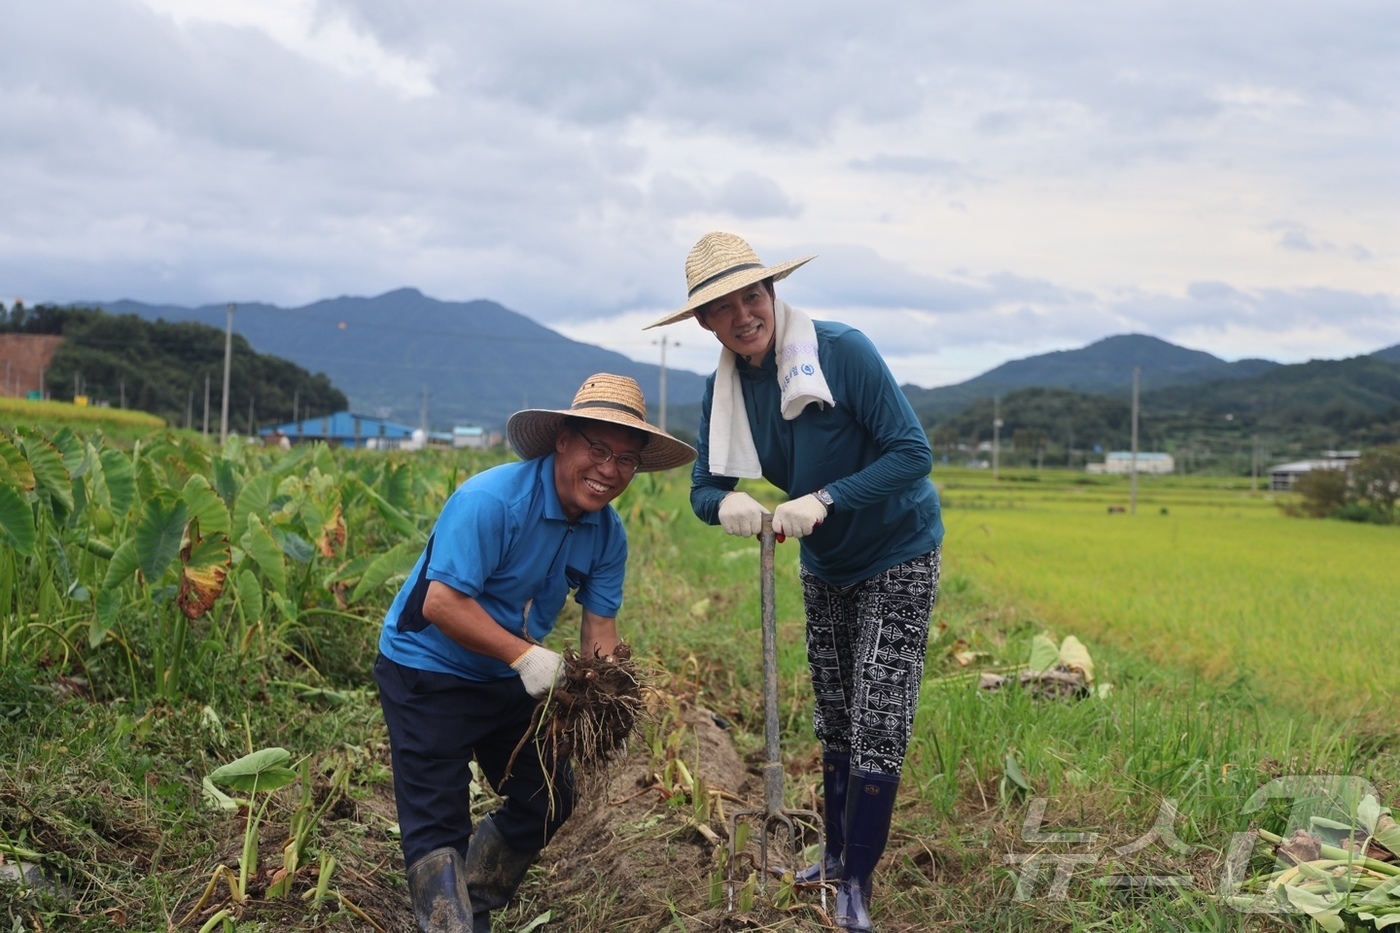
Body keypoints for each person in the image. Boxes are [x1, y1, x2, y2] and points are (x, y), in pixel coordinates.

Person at [646, 232, 944, 932]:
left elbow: (914, 453)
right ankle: (835, 854)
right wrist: (726, 504)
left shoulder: (842, 352)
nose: (744, 313)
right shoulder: (725, 388)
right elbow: (702, 486)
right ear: (705, 322)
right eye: (724, 306)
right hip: (825, 563)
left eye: (753, 294)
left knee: (879, 712)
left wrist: (826, 498)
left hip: (898, 548)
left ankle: (857, 885)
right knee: (835, 710)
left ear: (771, 292)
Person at [373, 373, 696, 933]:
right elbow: (442, 604)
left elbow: (599, 628)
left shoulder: (606, 533)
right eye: (597, 449)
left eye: (624, 459)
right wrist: (526, 658)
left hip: (507, 674)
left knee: (547, 796)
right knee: (438, 824)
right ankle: (449, 922)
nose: (608, 470)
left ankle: (472, 903)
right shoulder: (491, 501)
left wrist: (611, 691)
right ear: (562, 442)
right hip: (427, 668)